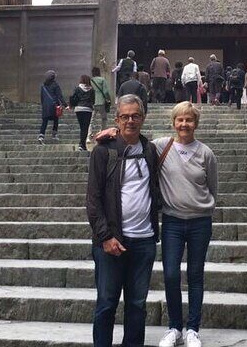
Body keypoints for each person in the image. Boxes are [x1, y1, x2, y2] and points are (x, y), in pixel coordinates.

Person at [86, 94, 161, 347]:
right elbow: (93, 200)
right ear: (117, 119)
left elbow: (181, 140)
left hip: (143, 242)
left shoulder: (150, 149)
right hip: (111, 242)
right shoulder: (103, 151)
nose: (131, 121)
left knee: (137, 305)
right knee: (106, 303)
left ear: (143, 118)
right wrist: (105, 237)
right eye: (125, 116)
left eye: (136, 115)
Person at [155, 101, 217, 347]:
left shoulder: (206, 153)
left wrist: (205, 206)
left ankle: (193, 328)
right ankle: (174, 327)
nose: (184, 124)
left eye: (189, 120)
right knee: (170, 274)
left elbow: (213, 187)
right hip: (171, 221)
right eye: (180, 120)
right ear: (173, 123)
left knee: (195, 274)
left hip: (200, 222)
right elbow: (134, 143)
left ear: (196, 124)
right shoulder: (161, 146)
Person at [39, 70, 67, 143]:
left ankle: (41, 135)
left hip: (45, 106)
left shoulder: (43, 86)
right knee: (55, 120)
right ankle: (54, 135)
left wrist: (43, 105)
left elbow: (42, 97)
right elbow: (60, 96)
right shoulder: (55, 85)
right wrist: (65, 105)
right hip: (54, 105)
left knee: (44, 121)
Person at [70, 75, 95, 151]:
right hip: (88, 109)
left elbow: (74, 98)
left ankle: (82, 144)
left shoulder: (77, 88)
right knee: (85, 128)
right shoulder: (92, 90)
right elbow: (93, 100)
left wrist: (71, 105)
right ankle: (82, 144)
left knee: (82, 127)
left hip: (79, 109)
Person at [89, 67, 112, 141]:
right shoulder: (102, 80)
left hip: (92, 102)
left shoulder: (91, 80)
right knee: (104, 118)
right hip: (101, 101)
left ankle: (89, 135)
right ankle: (103, 133)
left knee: (92, 120)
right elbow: (105, 91)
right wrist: (108, 98)